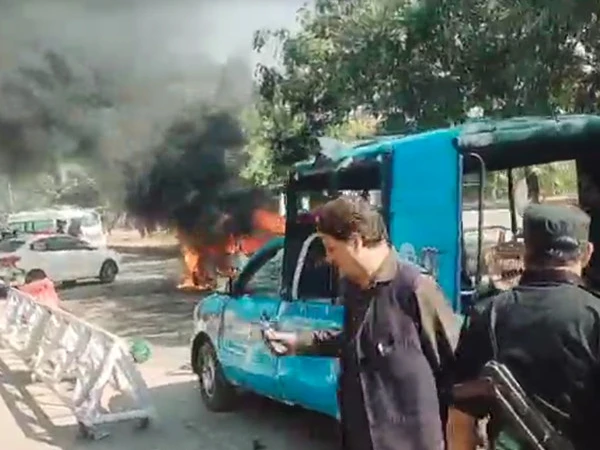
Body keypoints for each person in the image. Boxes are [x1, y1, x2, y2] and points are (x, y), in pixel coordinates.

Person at [264, 196, 460, 450]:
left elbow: (459, 371)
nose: (329, 258)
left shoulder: (415, 289)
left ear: (356, 242)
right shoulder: (353, 287)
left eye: (331, 248)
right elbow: (356, 341)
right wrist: (298, 342)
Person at [449, 203, 600, 450]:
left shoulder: (489, 314)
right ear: (587, 253)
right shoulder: (595, 315)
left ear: (525, 250)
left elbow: (461, 416)